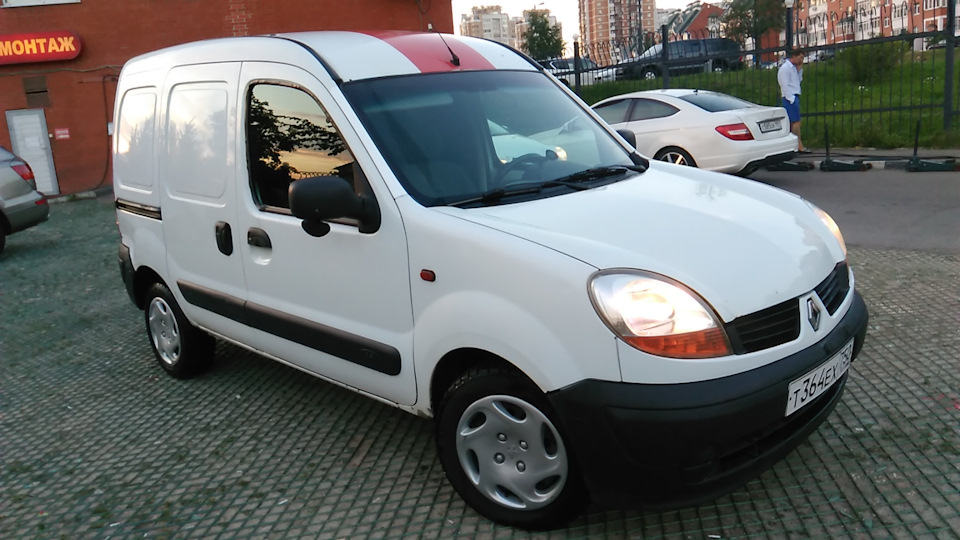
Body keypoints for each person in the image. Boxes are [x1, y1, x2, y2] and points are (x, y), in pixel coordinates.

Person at [778, 49, 807, 152]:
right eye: (800, 57)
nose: (801, 60)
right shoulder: (785, 68)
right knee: (796, 121)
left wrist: (799, 70)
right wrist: (791, 99)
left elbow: (798, 81)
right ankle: (798, 144)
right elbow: (784, 85)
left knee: (793, 121)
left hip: (795, 95)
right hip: (790, 97)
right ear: (794, 56)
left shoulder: (795, 68)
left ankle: (793, 145)